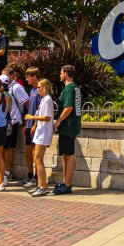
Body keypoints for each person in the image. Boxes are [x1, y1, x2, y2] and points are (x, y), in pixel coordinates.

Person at [53, 65, 82, 194]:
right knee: (65, 155)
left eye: (61, 72)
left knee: (69, 155)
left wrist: (58, 121)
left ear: (65, 73)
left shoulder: (70, 88)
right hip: (71, 125)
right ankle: (65, 182)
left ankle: (67, 184)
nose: (60, 75)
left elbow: (68, 107)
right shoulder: (74, 87)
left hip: (68, 126)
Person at [26, 77, 56, 197]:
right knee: (37, 159)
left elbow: (47, 117)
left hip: (44, 133)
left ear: (45, 87)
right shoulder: (44, 100)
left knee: (38, 159)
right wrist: (34, 124)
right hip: (40, 132)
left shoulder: (48, 100)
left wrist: (32, 118)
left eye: (39, 87)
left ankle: (43, 186)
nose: (37, 89)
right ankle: (40, 185)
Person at [2, 65, 30, 188]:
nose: (4, 78)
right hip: (3, 122)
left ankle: (7, 172)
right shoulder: (3, 88)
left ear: (13, 76)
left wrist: (27, 121)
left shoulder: (17, 88)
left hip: (13, 121)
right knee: (2, 148)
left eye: (7, 76)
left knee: (8, 147)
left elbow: (26, 103)